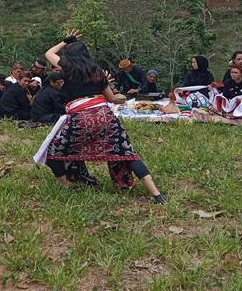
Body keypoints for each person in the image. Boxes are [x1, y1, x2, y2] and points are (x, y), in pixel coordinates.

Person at [35, 32, 166, 204]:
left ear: (70, 56)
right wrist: (119, 93)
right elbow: (112, 99)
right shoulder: (98, 72)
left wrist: (64, 41)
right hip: (105, 115)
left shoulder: (69, 67)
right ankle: (156, 194)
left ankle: (67, 185)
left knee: (53, 152)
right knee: (127, 153)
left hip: (79, 118)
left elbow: (49, 53)